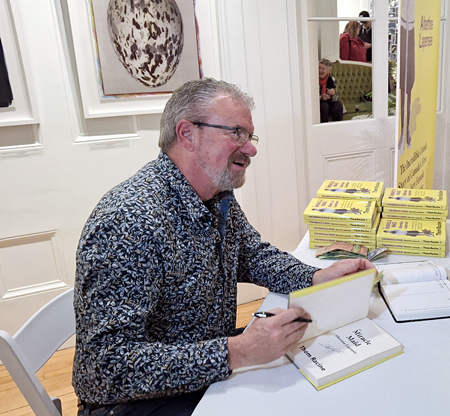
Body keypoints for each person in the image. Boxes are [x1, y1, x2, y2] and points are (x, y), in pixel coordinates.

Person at [72, 77, 374, 415]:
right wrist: (238, 352)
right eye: (237, 133)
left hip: (205, 370)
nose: (251, 148)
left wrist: (317, 277)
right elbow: (103, 368)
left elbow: (251, 255)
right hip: (137, 403)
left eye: (250, 136)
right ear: (187, 134)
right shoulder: (129, 221)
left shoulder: (217, 196)